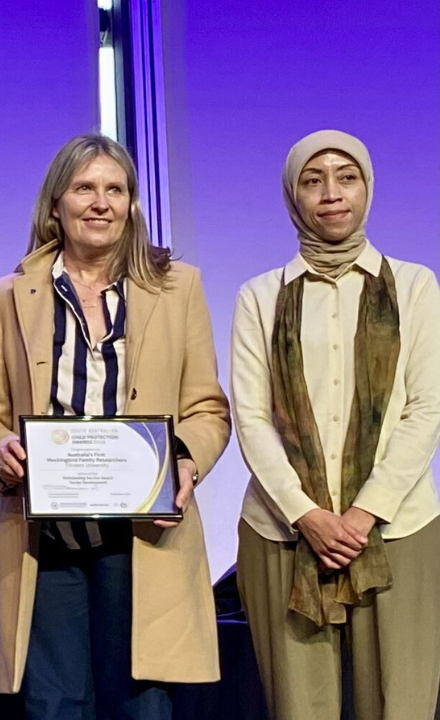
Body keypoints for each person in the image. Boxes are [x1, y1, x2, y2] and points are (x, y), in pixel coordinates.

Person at [0, 133, 231, 720]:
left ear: (132, 204)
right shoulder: (5, 298)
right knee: (55, 707)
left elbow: (209, 409)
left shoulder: (178, 287)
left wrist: (180, 460)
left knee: (141, 708)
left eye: (116, 189)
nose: (101, 202)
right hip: (48, 544)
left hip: (142, 540)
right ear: (55, 203)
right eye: (84, 188)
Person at [232, 130, 440, 720]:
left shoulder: (416, 285)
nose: (331, 194)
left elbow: (426, 408)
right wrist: (310, 516)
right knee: (302, 708)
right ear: (292, 195)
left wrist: (362, 513)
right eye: (312, 179)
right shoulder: (261, 295)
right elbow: (250, 417)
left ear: (367, 189)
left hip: (400, 526)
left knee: (399, 704)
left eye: (346, 177)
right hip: (284, 530)